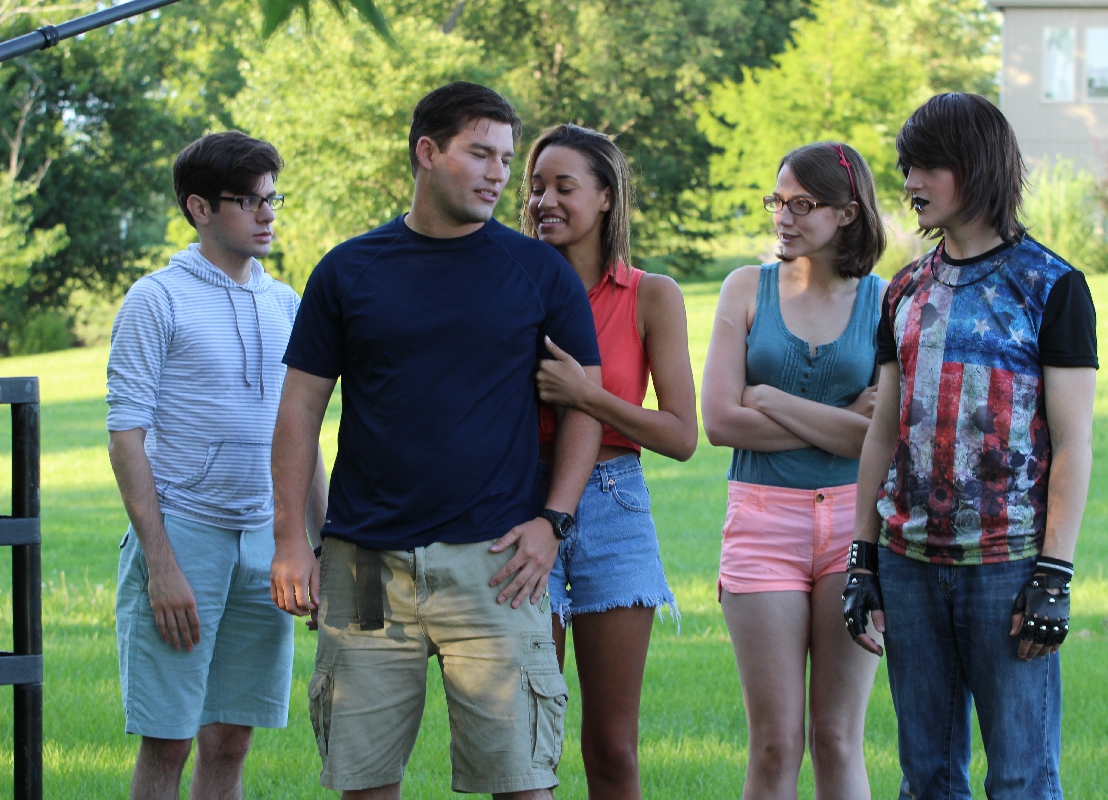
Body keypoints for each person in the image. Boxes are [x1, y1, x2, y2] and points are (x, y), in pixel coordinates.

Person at [269, 82, 603, 800]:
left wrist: (554, 521)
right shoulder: (348, 270)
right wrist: (292, 539)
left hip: (496, 564)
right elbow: (298, 410)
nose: (498, 174)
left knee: (523, 783)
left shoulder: (538, 272)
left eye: (505, 159)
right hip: (363, 563)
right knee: (363, 782)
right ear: (427, 152)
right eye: (480, 154)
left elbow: (585, 406)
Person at [843, 93, 1098, 800]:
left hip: (1007, 568)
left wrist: (1054, 574)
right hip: (909, 565)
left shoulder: (1053, 287)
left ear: (977, 167)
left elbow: (1074, 444)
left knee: (1020, 779)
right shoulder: (903, 291)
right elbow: (884, 432)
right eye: (906, 166)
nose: (911, 182)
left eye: (927, 166)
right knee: (926, 778)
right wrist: (863, 557)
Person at [107, 131, 328, 800]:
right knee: (168, 740)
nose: (267, 214)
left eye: (272, 198)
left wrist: (321, 546)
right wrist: (161, 564)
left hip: (267, 543)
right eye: (249, 201)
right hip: (184, 537)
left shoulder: (286, 303)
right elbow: (125, 437)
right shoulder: (157, 299)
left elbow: (303, 436)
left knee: (231, 740)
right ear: (199, 208)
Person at [701, 141, 889, 800]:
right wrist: (843, 419)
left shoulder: (885, 303)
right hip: (761, 524)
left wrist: (769, 398)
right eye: (776, 201)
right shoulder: (745, 289)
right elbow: (720, 422)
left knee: (837, 738)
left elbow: (879, 440)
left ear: (847, 213)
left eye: (801, 204)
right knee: (775, 743)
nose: (783, 216)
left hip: (854, 529)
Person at [520, 124, 698, 799]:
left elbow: (681, 436)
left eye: (563, 187)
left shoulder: (651, 295)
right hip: (522, 506)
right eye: (535, 187)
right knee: (524, 741)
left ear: (605, 198)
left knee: (612, 747)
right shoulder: (510, 288)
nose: (544, 201)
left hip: (615, 506)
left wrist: (586, 396)